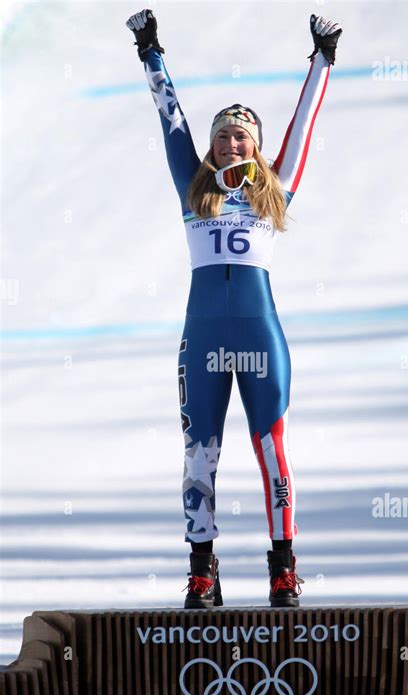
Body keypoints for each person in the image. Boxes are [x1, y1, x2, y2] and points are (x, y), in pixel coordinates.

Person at [126, 9, 342, 609]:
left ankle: (283, 568)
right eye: (222, 135)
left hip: (259, 335)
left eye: (240, 134)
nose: (229, 142)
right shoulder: (193, 188)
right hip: (203, 337)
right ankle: (202, 568)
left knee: (272, 448)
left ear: (256, 145)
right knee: (200, 451)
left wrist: (322, 60)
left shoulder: (275, 189)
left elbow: (302, 127)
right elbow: (171, 122)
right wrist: (152, 52)